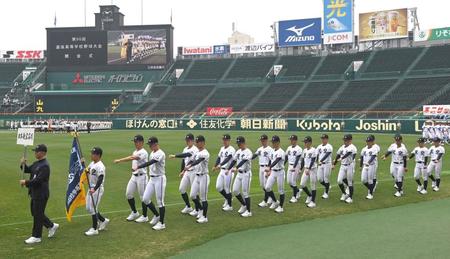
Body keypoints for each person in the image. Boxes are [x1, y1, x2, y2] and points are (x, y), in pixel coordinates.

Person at [20, 144, 59, 244]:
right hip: (35, 192)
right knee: (35, 213)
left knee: (37, 215)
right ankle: (51, 226)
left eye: (36, 152)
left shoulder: (45, 166)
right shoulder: (37, 163)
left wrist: (26, 182)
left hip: (41, 194)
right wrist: (23, 164)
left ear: (43, 153)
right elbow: (27, 170)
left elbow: (38, 181)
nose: (35, 153)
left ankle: (36, 236)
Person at [113, 135, 149, 223]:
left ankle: (145, 216)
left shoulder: (143, 152)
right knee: (128, 194)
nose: (135, 143)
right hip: (134, 176)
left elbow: (132, 158)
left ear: (141, 142)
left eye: (136, 142)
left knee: (143, 197)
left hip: (142, 177)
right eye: (134, 142)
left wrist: (120, 160)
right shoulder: (135, 151)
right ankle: (134, 212)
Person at [135, 137, 166, 230]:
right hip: (152, 179)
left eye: (151, 145)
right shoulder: (152, 153)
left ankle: (162, 223)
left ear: (156, 144)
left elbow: (151, 162)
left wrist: (139, 166)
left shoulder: (161, 153)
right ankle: (156, 215)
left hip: (159, 178)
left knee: (160, 201)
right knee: (145, 199)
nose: (149, 147)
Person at [168, 133, 199, 215]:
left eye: (188, 140)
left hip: (193, 172)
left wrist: (175, 156)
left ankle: (197, 208)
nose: (187, 142)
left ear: (192, 141)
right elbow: (183, 160)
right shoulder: (185, 148)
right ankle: (188, 207)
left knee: (194, 192)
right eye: (186, 140)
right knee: (182, 189)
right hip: (187, 172)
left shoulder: (194, 149)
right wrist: (182, 171)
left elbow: (187, 154)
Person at [184, 135, 210, 223]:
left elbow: (198, 161)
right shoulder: (197, 152)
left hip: (204, 177)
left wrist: (190, 166)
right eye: (196, 142)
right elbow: (193, 159)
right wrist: (188, 165)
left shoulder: (205, 153)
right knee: (192, 195)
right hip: (197, 176)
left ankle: (204, 217)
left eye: (198, 142)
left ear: (203, 143)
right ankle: (201, 210)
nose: (197, 143)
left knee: (203, 198)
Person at [84, 147, 110, 236]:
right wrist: (83, 164)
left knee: (93, 208)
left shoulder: (100, 166)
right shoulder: (92, 163)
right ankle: (103, 220)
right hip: (91, 188)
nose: (91, 155)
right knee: (88, 208)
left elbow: (100, 178)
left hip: (97, 189)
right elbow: (87, 170)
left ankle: (94, 228)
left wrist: (94, 189)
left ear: (98, 155)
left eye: (93, 154)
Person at [228, 136, 253, 217]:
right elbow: (234, 160)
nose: (239, 145)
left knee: (245, 192)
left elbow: (244, 161)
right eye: (238, 143)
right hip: (239, 174)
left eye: (240, 143)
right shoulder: (238, 151)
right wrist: (228, 169)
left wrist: (236, 167)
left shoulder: (248, 152)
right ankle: (243, 205)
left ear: (244, 143)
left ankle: (249, 212)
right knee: (235, 190)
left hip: (246, 174)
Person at [212, 134, 236, 212]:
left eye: (226, 140)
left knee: (227, 189)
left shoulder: (231, 149)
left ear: (229, 140)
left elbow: (228, 158)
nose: (224, 141)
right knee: (218, 187)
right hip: (222, 170)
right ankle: (228, 198)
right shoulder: (222, 148)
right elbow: (219, 157)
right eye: (224, 140)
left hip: (228, 171)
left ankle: (229, 206)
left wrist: (220, 165)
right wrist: (215, 165)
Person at [264, 136, 286, 213]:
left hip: (280, 172)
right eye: (272, 142)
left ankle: (281, 207)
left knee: (281, 190)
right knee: (267, 187)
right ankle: (275, 201)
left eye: (274, 142)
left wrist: (269, 167)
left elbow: (277, 160)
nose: (273, 144)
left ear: (278, 142)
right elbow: (271, 160)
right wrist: (269, 169)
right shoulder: (272, 151)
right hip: (273, 172)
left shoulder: (281, 152)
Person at [333, 134, 357, 204]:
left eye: (346, 140)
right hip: (343, 166)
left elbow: (348, 154)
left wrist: (342, 158)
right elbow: (338, 155)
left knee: (349, 182)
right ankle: (344, 193)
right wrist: (334, 164)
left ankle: (350, 197)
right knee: (339, 181)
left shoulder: (353, 147)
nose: (345, 141)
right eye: (344, 140)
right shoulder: (342, 147)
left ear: (350, 140)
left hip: (350, 165)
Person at [252, 134, 274, 208]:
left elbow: (271, 159)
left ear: (266, 140)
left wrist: (269, 169)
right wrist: (248, 158)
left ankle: (265, 201)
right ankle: (270, 197)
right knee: (262, 185)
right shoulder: (260, 149)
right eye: (261, 140)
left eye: (263, 140)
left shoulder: (270, 149)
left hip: (266, 168)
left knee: (266, 185)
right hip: (261, 168)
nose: (262, 142)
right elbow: (254, 155)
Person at [299, 136, 318, 208]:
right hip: (306, 169)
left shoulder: (314, 150)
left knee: (313, 185)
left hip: (312, 169)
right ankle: (310, 196)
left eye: (306, 142)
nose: (305, 143)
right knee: (302, 184)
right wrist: (301, 169)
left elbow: (313, 160)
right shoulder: (304, 150)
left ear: (310, 142)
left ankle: (313, 202)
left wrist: (309, 169)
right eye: (304, 142)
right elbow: (303, 161)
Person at [285, 135, 302, 203]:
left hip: (296, 166)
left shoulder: (299, 149)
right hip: (290, 165)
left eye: (292, 140)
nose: (291, 141)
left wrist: (294, 167)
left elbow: (297, 159)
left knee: (293, 181)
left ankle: (294, 197)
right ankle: (297, 191)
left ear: (295, 140)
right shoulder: (289, 148)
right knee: (289, 182)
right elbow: (286, 157)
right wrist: (283, 165)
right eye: (290, 140)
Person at [360, 135, 378, 200]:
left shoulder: (374, 149)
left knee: (370, 180)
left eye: (369, 141)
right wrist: (360, 166)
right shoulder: (364, 149)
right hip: (365, 166)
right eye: (367, 141)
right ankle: (371, 188)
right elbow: (361, 157)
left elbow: (373, 156)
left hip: (371, 165)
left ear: (372, 142)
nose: (368, 142)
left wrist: (369, 162)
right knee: (363, 180)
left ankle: (370, 194)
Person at [316, 134, 333, 199]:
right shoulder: (319, 146)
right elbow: (317, 154)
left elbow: (327, 154)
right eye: (322, 139)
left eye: (324, 139)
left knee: (326, 178)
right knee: (319, 179)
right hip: (320, 164)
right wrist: (317, 161)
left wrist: (321, 160)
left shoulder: (329, 146)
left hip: (327, 164)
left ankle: (326, 193)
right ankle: (328, 186)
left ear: (327, 139)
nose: (323, 140)